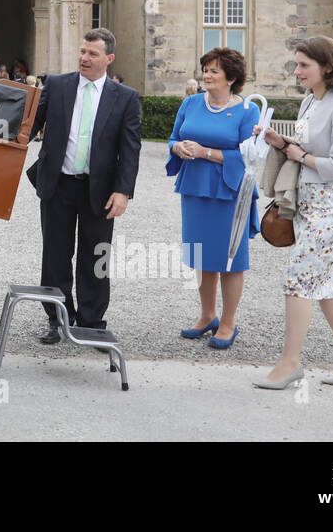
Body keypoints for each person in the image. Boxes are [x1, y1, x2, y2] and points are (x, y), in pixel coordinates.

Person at [254, 36, 333, 389]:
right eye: (297, 63)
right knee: (325, 284)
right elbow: (305, 147)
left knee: (298, 280)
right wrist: (281, 143)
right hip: (307, 204)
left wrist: (300, 157)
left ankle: (289, 363)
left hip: (332, 207)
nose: (297, 70)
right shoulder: (309, 101)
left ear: (328, 68)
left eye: (304, 64)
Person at [26, 28, 142, 338]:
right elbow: (29, 124)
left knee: (96, 257)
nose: (84, 58)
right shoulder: (58, 85)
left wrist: (123, 191)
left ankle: (91, 322)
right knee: (55, 256)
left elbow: (130, 149)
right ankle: (58, 318)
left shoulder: (126, 98)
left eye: (92, 54)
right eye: (82, 52)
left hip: (100, 191)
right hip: (58, 185)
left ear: (109, 59)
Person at [166, 48, 260, 349]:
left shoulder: (248, 111)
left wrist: (206, 152)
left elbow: (250, 156)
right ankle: (207, 316)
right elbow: (173, 138)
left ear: (231, 78)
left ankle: (229, 322)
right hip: (195, 187)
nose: (206, 75)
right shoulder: (191, 103)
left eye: (214, 71)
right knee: (201, 255)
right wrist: (178, 149)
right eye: (205, 69)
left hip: (229, 190)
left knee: (231, 258)